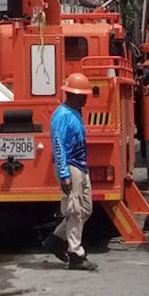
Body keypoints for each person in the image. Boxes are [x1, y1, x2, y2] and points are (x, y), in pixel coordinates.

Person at [42, 72, 98, 271]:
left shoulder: (75, 112)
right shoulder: (62, 116)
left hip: (80, 166)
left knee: (85, 209)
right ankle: (76, 253)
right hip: (72, 166)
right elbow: (58, 146)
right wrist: (64, 174)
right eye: (82, 95)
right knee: (75, 211)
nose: (85, 98)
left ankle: (56, 239)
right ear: (73, 95)